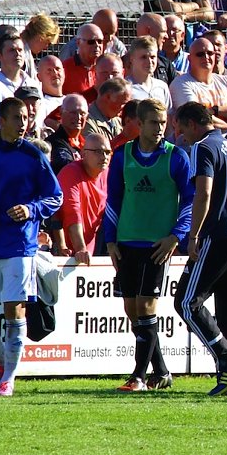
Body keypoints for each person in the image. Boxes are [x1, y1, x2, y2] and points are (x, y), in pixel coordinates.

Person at [0, 97, 62, 396]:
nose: (23, 123)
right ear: (1, 120)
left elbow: (54, 197)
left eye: (26, 118)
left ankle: (8, 378)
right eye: (17, 118)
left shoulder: (32, 155)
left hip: (19, 244)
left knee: (13, 308)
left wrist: (31, 210)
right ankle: (5, 360)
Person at [105, 98, 194, 392]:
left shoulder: (176, 157)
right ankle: (163, 372)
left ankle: (138, 377)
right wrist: (110, 239)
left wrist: (176, 236)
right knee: (133, 310)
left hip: (157, 245)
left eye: (163, 123)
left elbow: (191, 201)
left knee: (145, 306)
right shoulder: (122, 155)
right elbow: (113, 200)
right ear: (138, 124)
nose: (160, 128)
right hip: (127, 242)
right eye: (153, 123)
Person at [173, 101, 227, 395]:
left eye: (181, 128)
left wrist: (193, 236)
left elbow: (204, 191)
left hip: (219, 234)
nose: (180, 135)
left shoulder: (203, 147)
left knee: (186, 301)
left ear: (192, 124)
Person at [54, 133, 110, 261]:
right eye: (98, 151)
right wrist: (80, 249)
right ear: (84, 153)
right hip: (68, 254)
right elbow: (73, 213)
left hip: (92, 252)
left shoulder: (108, 174)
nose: (104, 157)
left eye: (107, 152)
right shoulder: (71, 172)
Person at [0, 32, 39, 139]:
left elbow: (39, 122)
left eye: (20, 50)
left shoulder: (33, 84)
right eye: (12, 50)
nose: (17, 54)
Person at [170, 37, 227, 126]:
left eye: (210, 53)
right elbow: (198, 117)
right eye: (200, 54)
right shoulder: (180, 84)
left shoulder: (226, 81)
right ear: (189, 59)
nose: (206, 57)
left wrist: (216, 110)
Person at [126, 36, 172, 115]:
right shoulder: (126, 87)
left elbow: (169, 117)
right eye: (143, 57)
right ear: (132, 59)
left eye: (153, 57)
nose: (149, 62)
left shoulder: (162, 86)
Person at [59, 9, 127, 62]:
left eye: (112, 33)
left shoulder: (118, 48)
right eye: (105, 33)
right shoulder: (72, 49)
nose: (109, 38)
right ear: (94, 27)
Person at [46, 94, 88, 175]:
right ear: (61, 113)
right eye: (73, 113)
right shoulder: (53, 143)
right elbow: (65, 168)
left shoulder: (87, 144)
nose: (78, 117)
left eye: (82, 113)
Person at [62, 24, 103, 96]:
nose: (97, 45)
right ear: (78, 43)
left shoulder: (107, 68)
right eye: (91, 42)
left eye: (100, 41)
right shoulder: (64, 69)